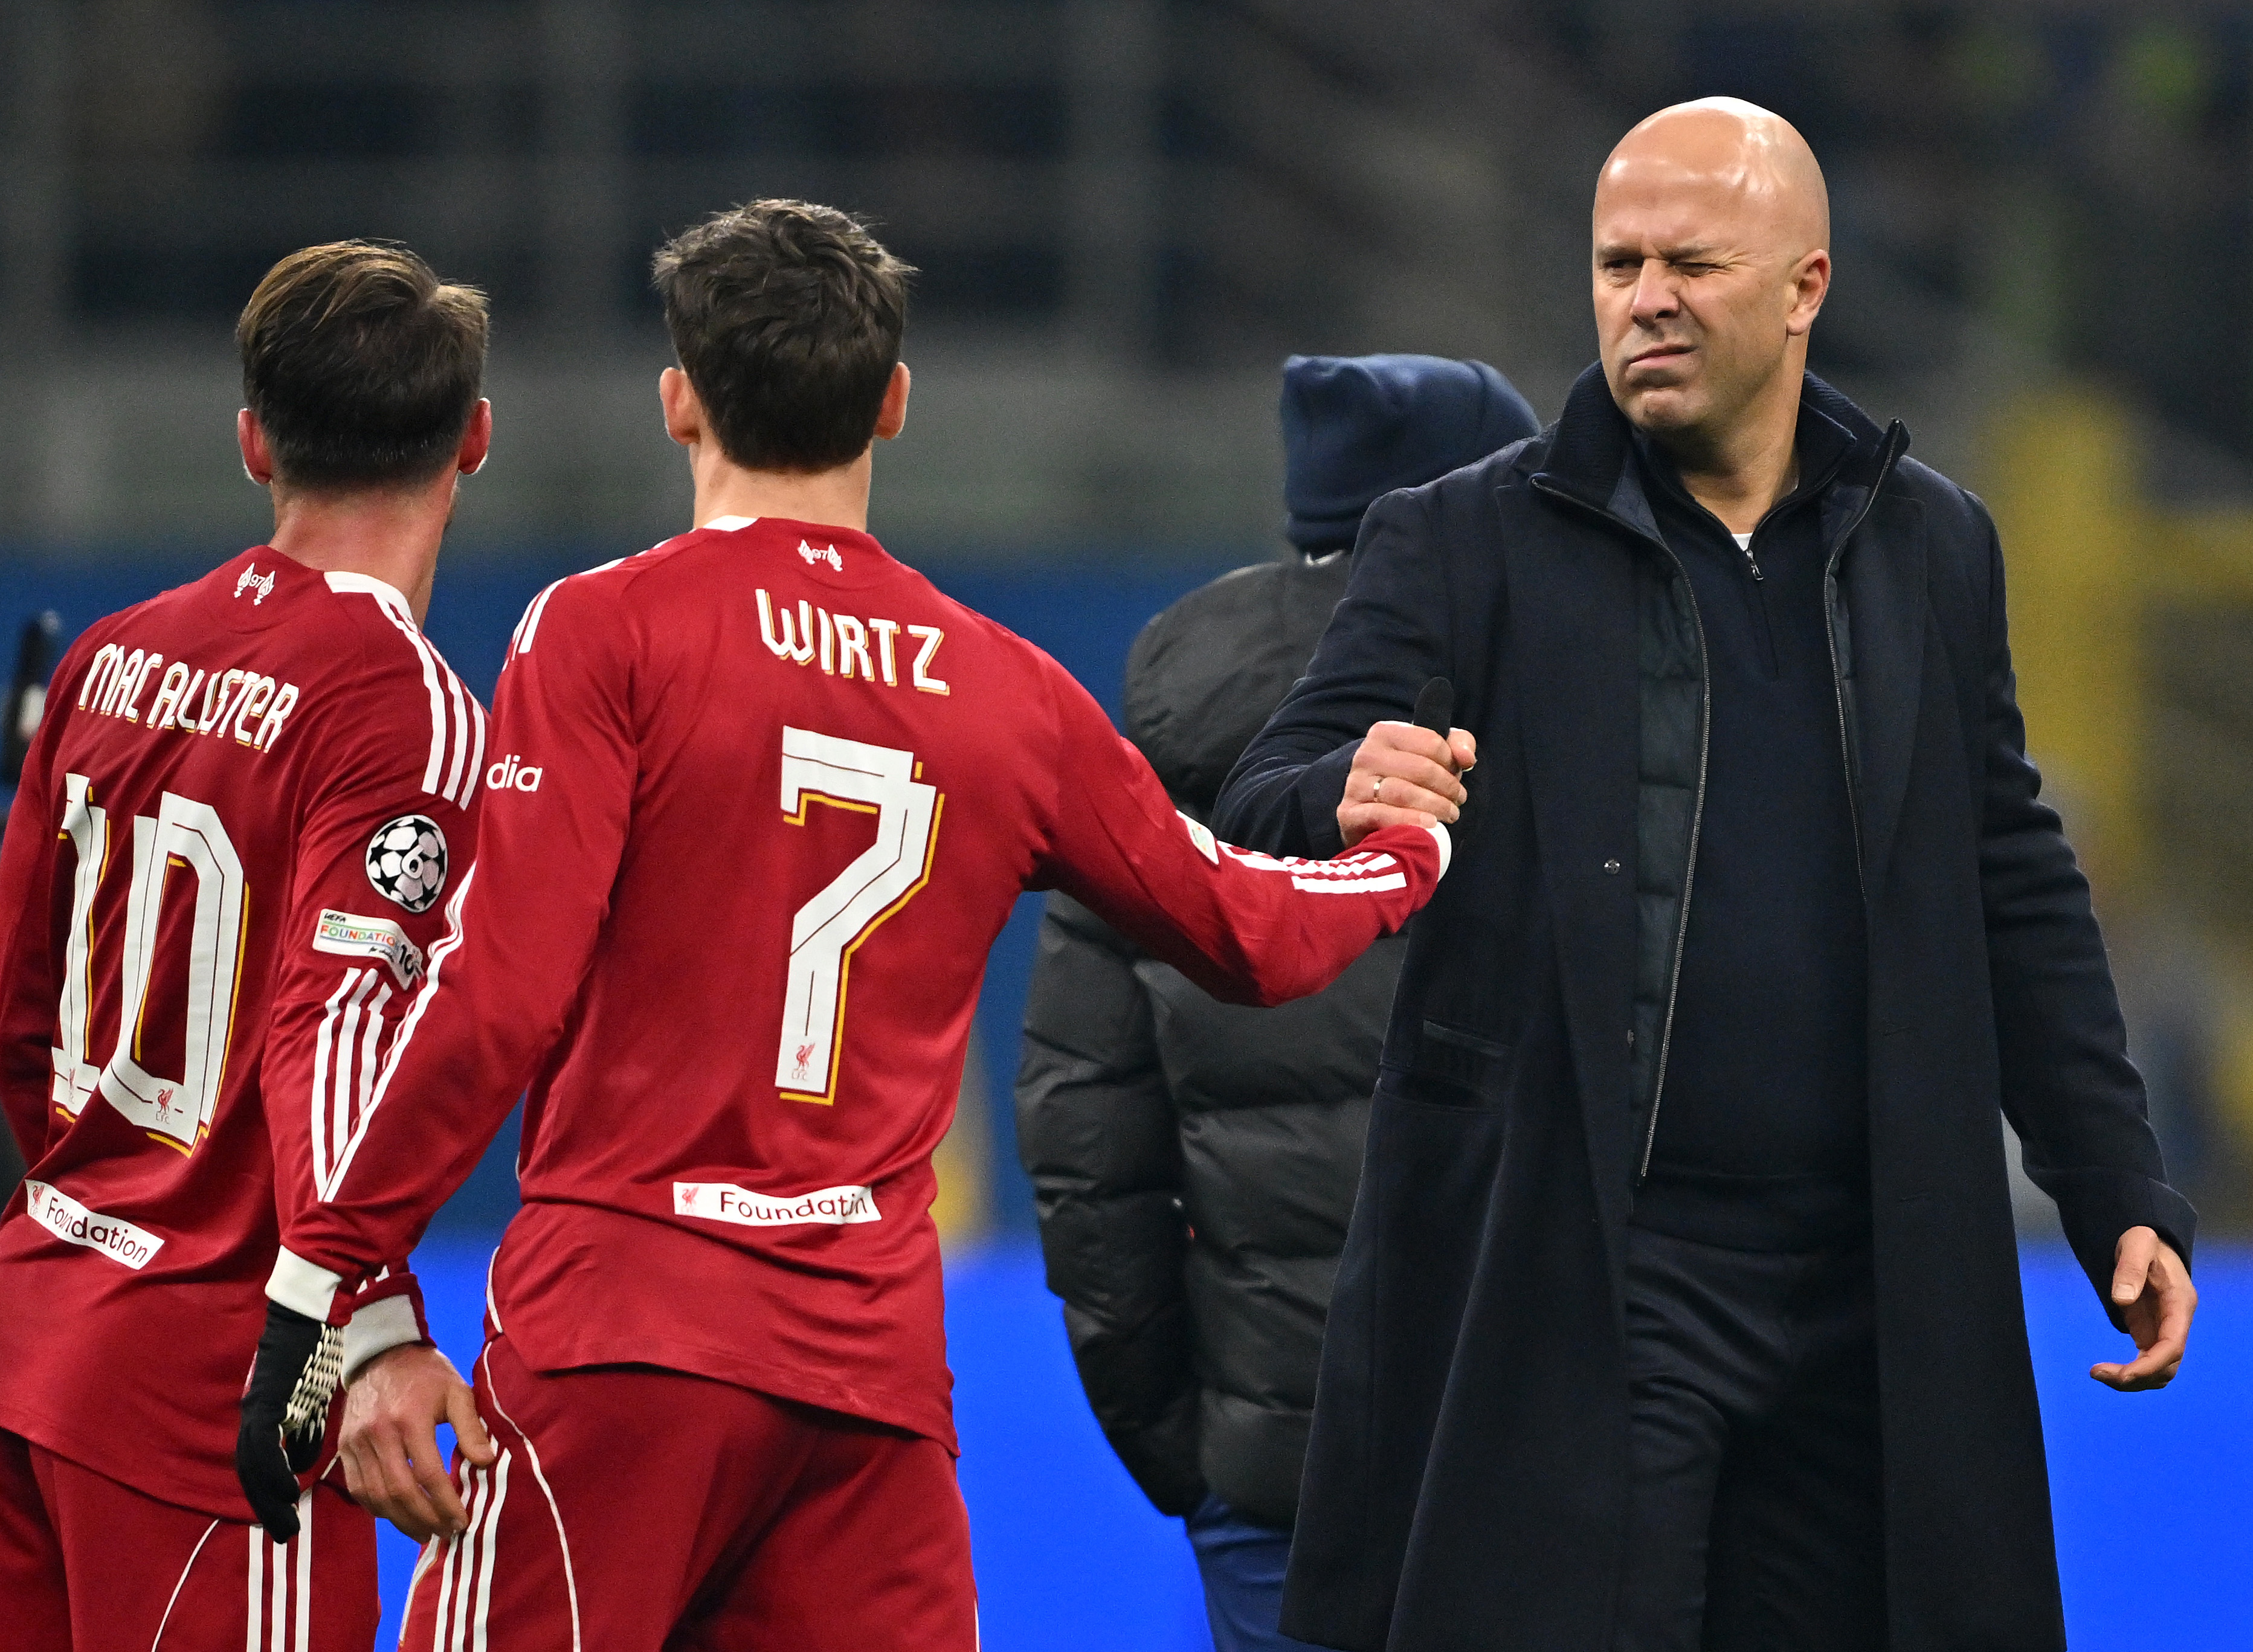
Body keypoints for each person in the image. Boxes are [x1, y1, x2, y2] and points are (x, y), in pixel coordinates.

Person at [229, 200, 1453, 1652]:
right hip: (865, 1390)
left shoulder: (604, 631)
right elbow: (1249, 929)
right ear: (893, 404)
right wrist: (1407, 852)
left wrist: (326, 1277)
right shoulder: (1007, 690)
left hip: (623, 1341)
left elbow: (497, 996)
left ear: (678, 400)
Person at [1214, 99, 2198, 1652]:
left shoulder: (1930, 544)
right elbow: (1256, 796)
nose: (1644, 300)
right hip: (1599, 1276)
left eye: (1690, 264)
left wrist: (2112, 1181)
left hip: (1868, 1277)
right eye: (1616, 265)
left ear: (1806, 287)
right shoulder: (1462, 539)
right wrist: (1338, 791)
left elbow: (2008, 876)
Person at [0, 241, 491, 1650]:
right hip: (215, 1405)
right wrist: (364, 1321)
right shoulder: (406, 710)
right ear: (472, 440)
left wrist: (107, 1203)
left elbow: (19, 1008)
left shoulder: (110, 657)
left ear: (252, 442)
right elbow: (338, 1038)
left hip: (37, 1340)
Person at [1015, 352, 1538, 1652]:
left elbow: (1085, 1141)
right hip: (1541, 1455)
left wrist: (1186, 1445)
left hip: (1274, 1476)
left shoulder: (1156, 748)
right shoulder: (1557, 711)